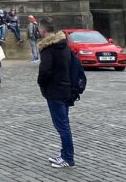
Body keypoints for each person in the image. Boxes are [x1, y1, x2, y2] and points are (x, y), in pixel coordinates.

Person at [37, 17, 76, 168]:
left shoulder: (49, 48)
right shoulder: (63, 44)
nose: (39, 31)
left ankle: (68, 157)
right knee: (63, 124)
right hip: (65, 88)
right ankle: (65, 154)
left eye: (39, 29)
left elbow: (45, 70)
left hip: (55, 91)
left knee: (62, 126)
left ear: (43, 30)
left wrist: (41, 83)